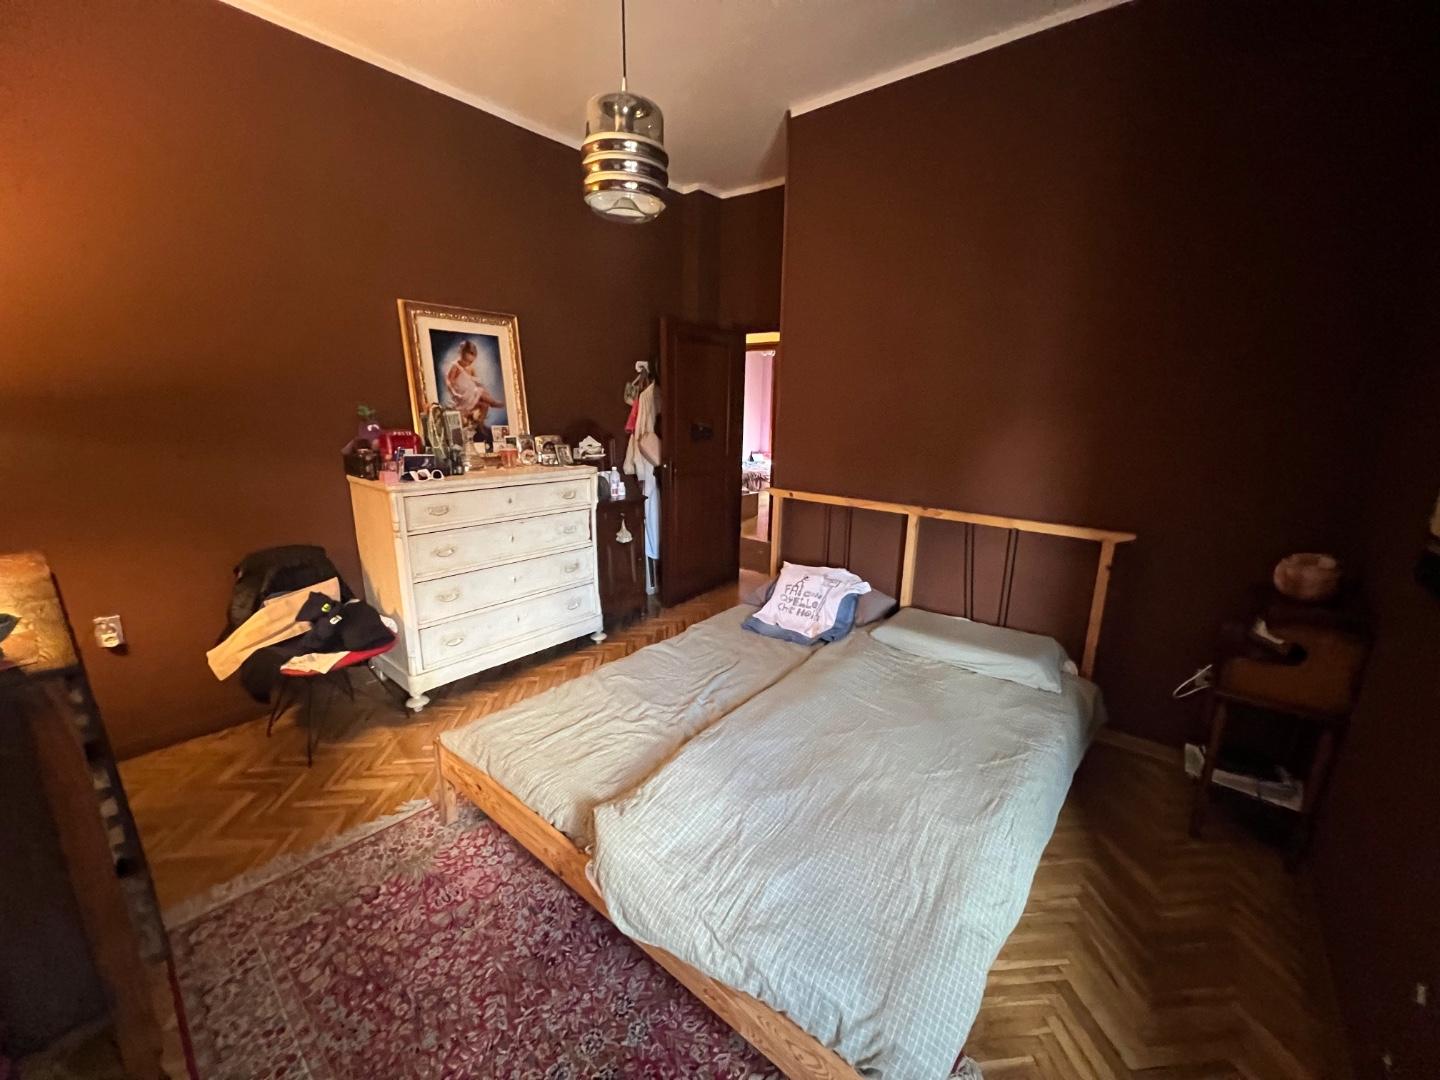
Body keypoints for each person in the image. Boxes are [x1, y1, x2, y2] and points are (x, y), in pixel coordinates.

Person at [444, 340, 504, 441]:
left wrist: (479, 383)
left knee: (484, 404)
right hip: (462, 396)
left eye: (470, 362)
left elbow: (474, 381)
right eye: (466, 361)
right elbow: (449, 382)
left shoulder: (469, 368)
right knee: (479, 391)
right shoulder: (455, 366)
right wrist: (454, 393)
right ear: (461, 354)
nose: (467, 364)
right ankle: (494, 403)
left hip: (470, 394)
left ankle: (480, 424)